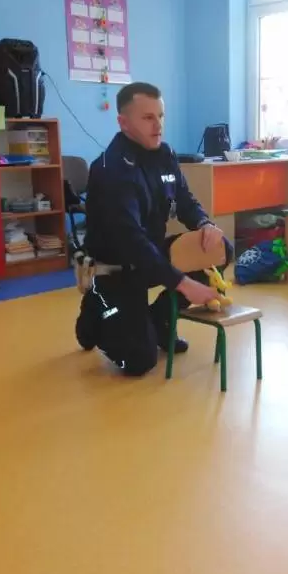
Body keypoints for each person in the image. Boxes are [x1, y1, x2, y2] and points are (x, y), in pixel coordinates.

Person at [76, 82, 233, 376]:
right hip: (118, 267)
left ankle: (159, 318)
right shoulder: (111, 170)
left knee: (220, 248)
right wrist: (183, 283)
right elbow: (130, 240)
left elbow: (184, 200)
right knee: (139, 361)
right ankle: (97, 307)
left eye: (160, 116)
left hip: (151, 254)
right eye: (148, 117)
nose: (158, 125)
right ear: (123, 122)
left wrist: (205, 223)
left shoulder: (165, 155)